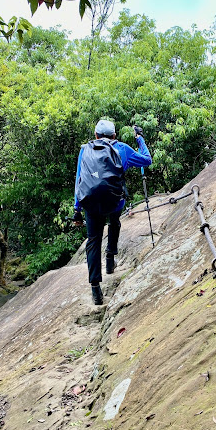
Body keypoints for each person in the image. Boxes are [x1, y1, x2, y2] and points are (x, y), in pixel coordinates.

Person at [74, 119, 152, 305]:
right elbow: (147, 160)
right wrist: (140, 139)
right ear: (114, 136)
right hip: (114, 201)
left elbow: (79, 179)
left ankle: (95, 290)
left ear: (95, 136)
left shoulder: (85, 150)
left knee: (93, 241)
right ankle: (110, 260)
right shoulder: (122, 149)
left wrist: (77, 209)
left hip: (90, 202)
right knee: (114, 222)